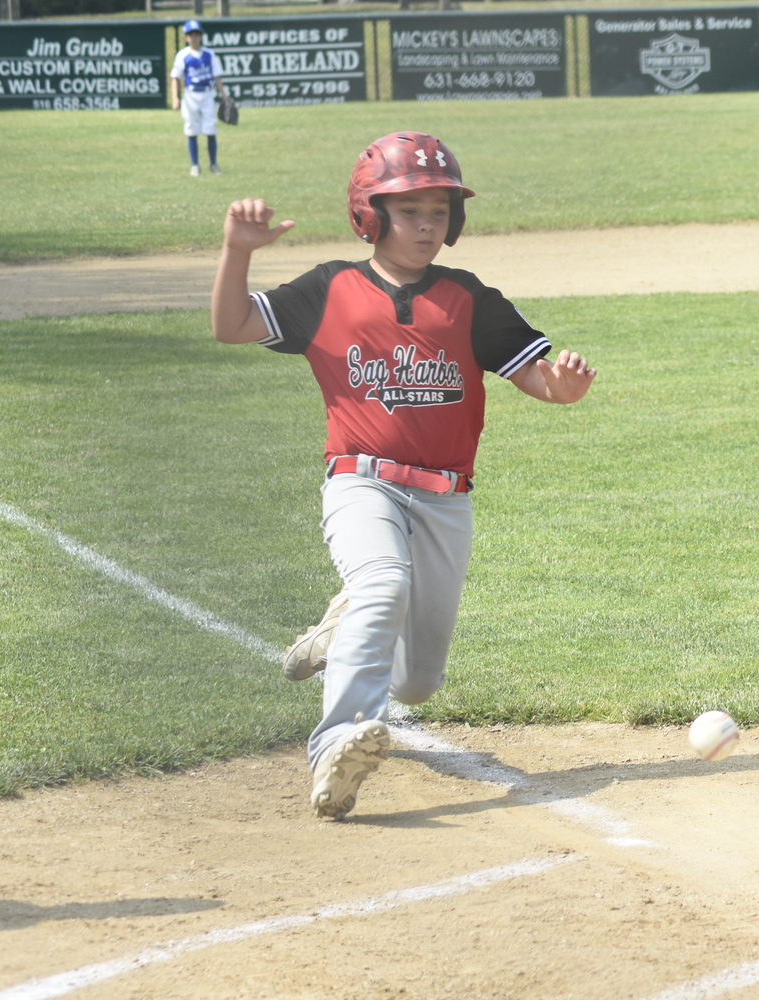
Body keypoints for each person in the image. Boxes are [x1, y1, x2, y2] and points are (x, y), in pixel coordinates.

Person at [210, 132, 597, 820]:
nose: (426, 224)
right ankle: (333, 744)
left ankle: (343, 625)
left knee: (417, 683)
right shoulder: (330, 288)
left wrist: (563, 388)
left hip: (446, 500)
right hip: (361, 482)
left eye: (439, 211)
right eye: (409, 209)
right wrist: (238, 250)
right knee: (383, 581)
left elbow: (536, 378)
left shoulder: (468, 298)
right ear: (370, 215)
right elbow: (233, 325)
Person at [170, 20, 229, 177]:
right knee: (192, 130)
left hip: (207, 94)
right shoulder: (182, 55)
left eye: (197, 34)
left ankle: (213, 164)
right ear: (185, 37)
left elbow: (217, 77)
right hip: (190, 95)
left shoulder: (210, 55)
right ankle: (195, 165)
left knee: (211, 129)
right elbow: (175, 78)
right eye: (191, 34)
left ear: (201, 36)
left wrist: (225, 97)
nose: (194, 37)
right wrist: (175, 98)